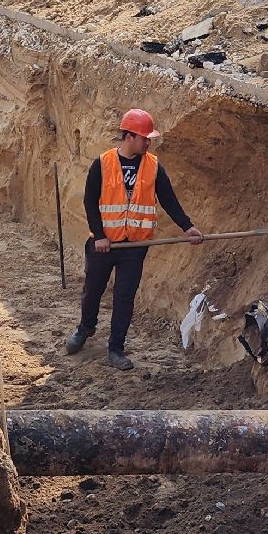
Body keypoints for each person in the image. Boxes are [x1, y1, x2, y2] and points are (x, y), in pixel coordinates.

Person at [64, 108, 202, 370]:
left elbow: (169, 200)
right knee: (92, 291)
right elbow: (90, 202)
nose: (148, 142)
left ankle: (116, 349)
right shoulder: (102, 163)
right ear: (128, 136)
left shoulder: (153, 166)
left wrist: (188, 227)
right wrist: (101, 236)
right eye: (143, 138)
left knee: (124, 297)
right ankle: (85, 328)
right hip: (103, 245)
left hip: (135, 246)